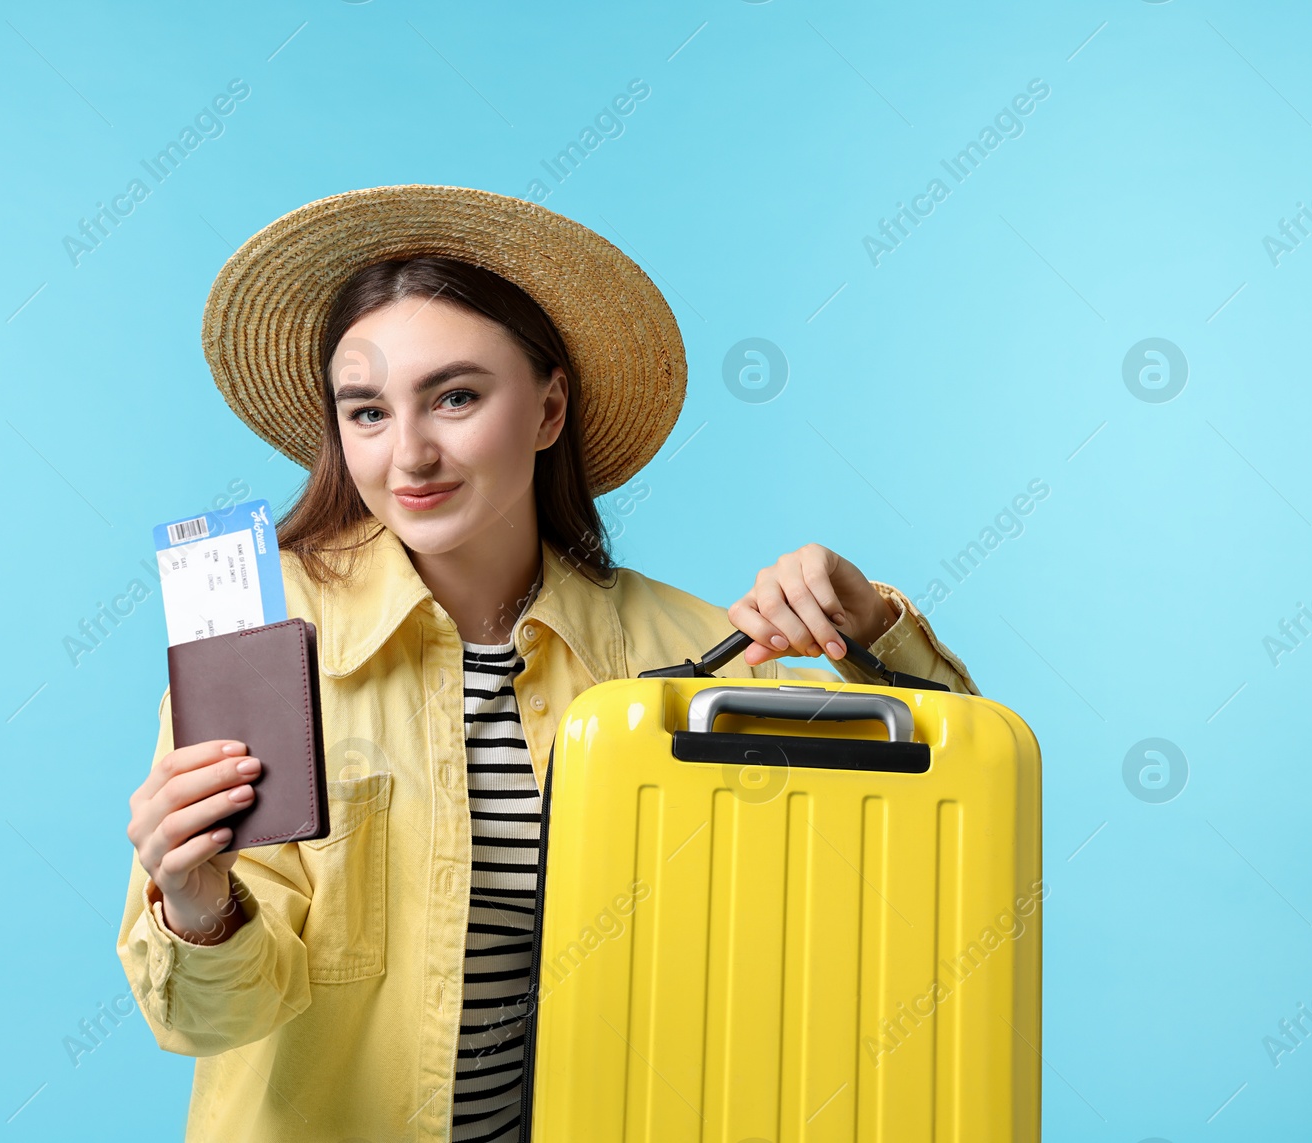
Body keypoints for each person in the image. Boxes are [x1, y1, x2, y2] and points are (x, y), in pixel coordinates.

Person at [117, 185, 979, 1143]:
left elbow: (947, 829)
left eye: (455, 397)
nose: (410, 453)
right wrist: (197, 907)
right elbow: (209, 1020)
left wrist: (868, 628)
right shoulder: (262, 635)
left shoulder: (687, 654)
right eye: (366, 412)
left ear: (548, 407)